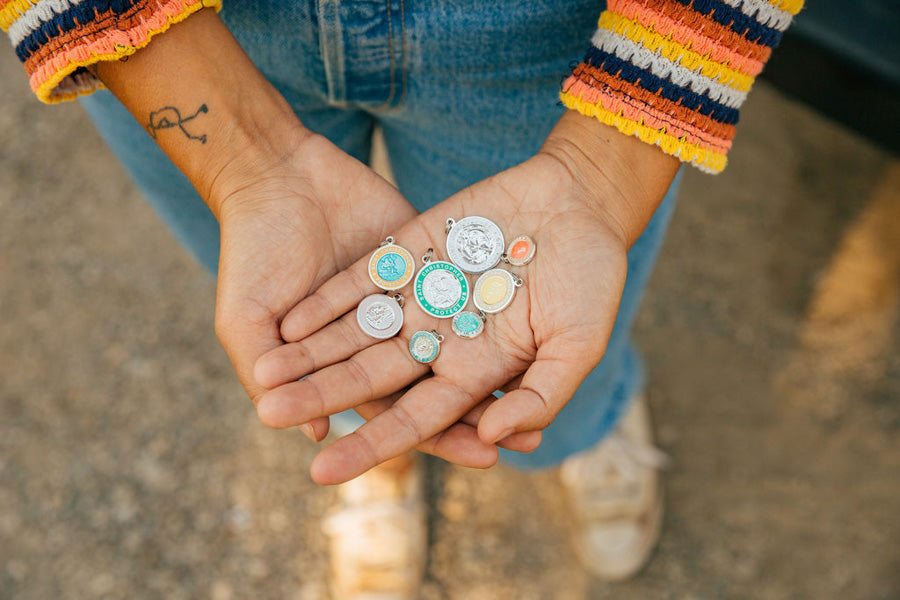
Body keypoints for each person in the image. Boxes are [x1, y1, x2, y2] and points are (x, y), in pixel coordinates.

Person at [2, 0, 804, 597]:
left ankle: (588, 425)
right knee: (306, 316)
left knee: (547, 334)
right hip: (170, 37)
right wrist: (244, 162)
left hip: (561, 35)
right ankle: (373, 441)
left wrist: (605, 169)